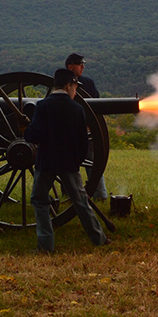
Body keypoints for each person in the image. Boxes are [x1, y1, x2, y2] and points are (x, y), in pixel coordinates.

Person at [26, 68, 109, 253]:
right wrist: (77, 161)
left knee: (40, 201)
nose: (75, 91)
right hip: (69, 163)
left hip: (46, 162)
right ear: (68, 85)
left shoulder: (42, 106)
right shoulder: (77, 109)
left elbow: (34, 136)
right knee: (81, 202)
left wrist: (25, 129)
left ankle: (46, 245)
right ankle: (99, 239)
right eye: (74, 87)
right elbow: (82, 141)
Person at [65, 52, 107, 200]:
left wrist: (90, 127)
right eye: (79, 64)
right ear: (70, 67)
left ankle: (100, 195)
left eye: (83, 64)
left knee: (92, 164)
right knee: (67, 165)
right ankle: (69, 194)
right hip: (67, 133)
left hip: (87, 131)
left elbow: (97, 106)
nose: (83, 67)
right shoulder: (61, 83)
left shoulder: (88, 83)